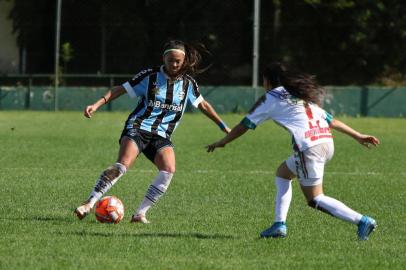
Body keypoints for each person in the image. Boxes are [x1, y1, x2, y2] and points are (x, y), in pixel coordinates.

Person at [206, 62, 379, 240]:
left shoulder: (270, 97)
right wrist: (357, 135)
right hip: (325, 142)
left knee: (315, 199)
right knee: (283, 173)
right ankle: (279, 225)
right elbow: (331, 121)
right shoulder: (299, 94)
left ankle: (362, 221)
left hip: (308, 147)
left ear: (266, 81)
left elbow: (245, 125)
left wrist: (224, 141)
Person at [75, 40, 230, 223]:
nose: (174, 64)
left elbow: (203, 104)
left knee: (168, 169)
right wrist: (96, 104)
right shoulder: (149, 76)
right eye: (170, 60)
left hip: (162, 135)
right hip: (138, 127)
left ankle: (140, 213)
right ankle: (89, 202)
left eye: (178, 61)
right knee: (122, 165)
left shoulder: (189, 84)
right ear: (163, 58)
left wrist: (223, 126)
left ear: (184, 61)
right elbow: (121, 89)